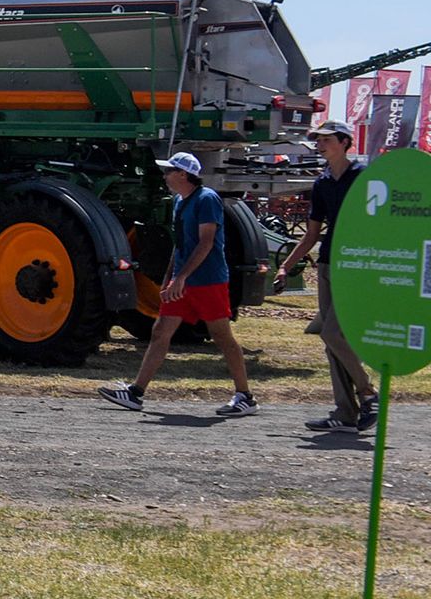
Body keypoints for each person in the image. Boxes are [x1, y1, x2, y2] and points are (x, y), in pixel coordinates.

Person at [98, 152, 258, 417]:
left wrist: (181, 277)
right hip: (184, 282)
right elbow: (180, 244)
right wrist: (170, 277)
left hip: (208, 281)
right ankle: (136, 393)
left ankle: (245, 396)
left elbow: (206, 243)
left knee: (221, 336)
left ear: (183, 175)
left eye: (169, 171)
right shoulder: (179, 201)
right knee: (161, 331)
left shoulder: (207, 199)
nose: (165, 176)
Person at [276, 120, 379, 433]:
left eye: (326, 139)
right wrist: (286, 265)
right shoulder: (321, 183)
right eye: (317, 140)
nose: (320, 144)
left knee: (332, 334)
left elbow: (377, 224)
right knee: (331, 342)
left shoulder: (363, 178)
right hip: (327, 264)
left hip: (356, 266)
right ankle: (346, 414)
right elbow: (310, 235)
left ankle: (368, 392)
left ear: (345, 142)